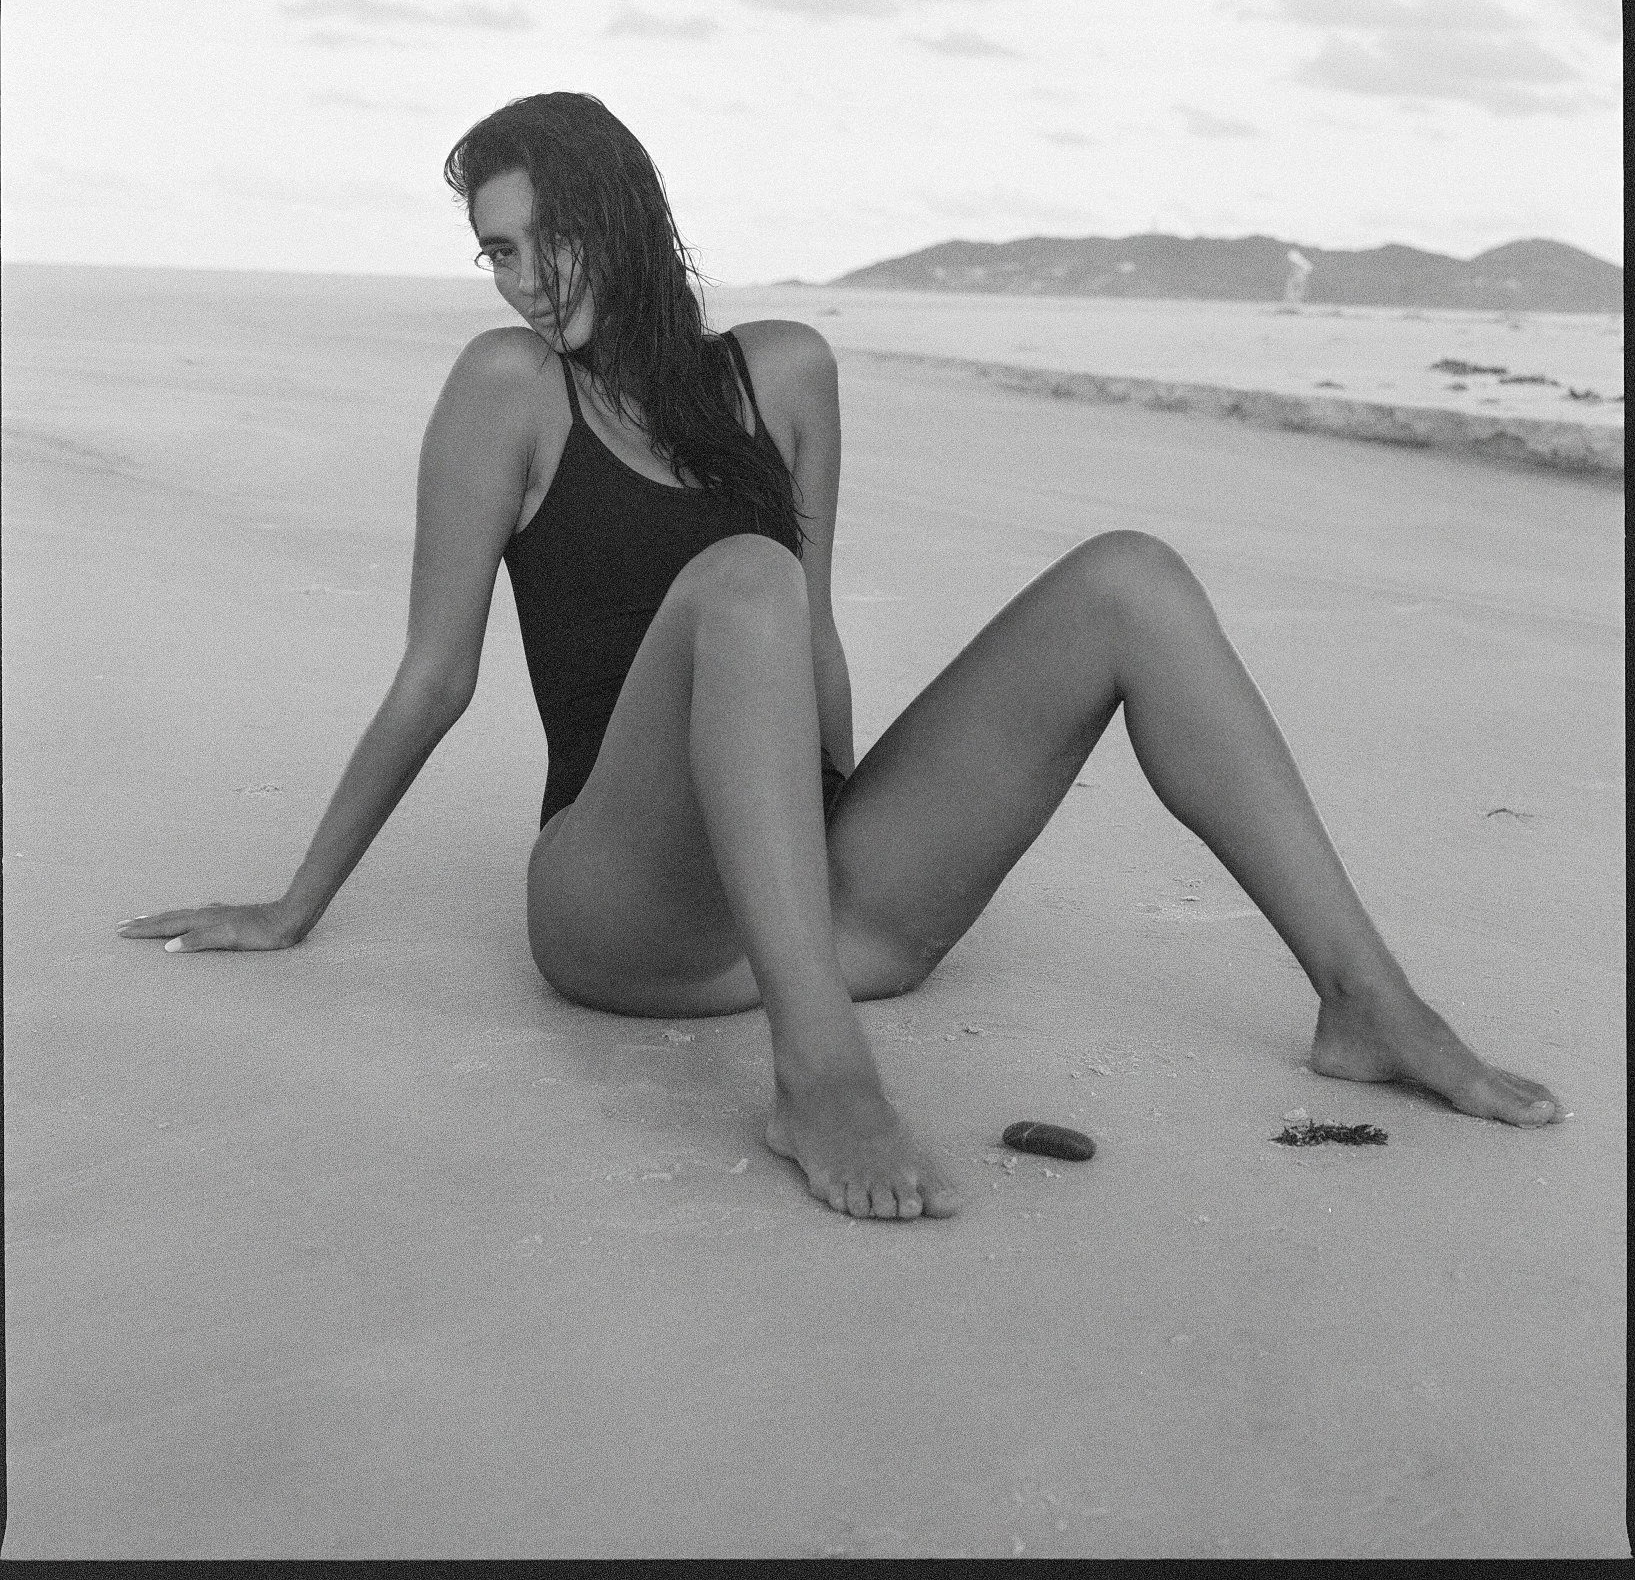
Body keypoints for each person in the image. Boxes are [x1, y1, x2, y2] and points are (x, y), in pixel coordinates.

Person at [117, 91, 1564, 1220]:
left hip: (818, 907)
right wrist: (295, 902)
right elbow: (439, 673)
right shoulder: (509, 393)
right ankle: (818, 1077)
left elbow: (808, 653)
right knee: (737, 572)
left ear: (617, 215)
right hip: (619, 910)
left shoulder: (788, 371)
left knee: (1130, 576)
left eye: (534, 238)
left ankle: (1365, 1000)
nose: (517, 280)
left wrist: (859, 839)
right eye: (492, 250)